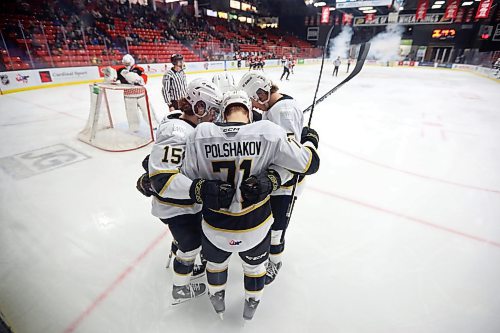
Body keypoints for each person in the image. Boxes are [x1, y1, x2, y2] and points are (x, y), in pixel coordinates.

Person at [181, 90, 321, 320]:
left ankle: (218, 305)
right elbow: (308, 164)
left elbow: (187, 178)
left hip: (215, 227)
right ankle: (250, 306)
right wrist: (309, 140)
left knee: (215, 266)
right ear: (249, 110)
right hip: (255, 227)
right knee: (255, 268)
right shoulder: (269, 131)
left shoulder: (200, 133)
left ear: (224, 112)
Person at [136, 78, 223, 305]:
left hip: (184, 205)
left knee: (193, 239)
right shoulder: (177, 131)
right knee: (191, 246)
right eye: (212, 110)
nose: (216, 115)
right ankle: (179, 290)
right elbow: (164, 179)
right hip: (176, 208)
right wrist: (199, 188)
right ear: (199, 107)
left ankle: (180, 246)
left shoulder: (188, 127)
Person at [238, 72, 303, 285]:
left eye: (255, 100)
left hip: (285, 184)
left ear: (262, 92)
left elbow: (290, 158)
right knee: (270, 225)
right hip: (274, 182)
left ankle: (275, 263)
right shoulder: (276, 109)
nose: (254, 106)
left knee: (277, 228)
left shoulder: (282, 111)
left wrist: (270, 178)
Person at [112, 54, 156, 131]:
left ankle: (153, 123)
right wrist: (110, 76)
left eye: (128, 64)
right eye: (125, 64)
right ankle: (134, 126)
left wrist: (136, 78)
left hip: (141, 94)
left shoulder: (139, 69)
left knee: (147, 110)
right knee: (131, 112)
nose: (127, 65)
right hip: (128, 96)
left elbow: (144, 81)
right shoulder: (119, 70)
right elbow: (113, 80)